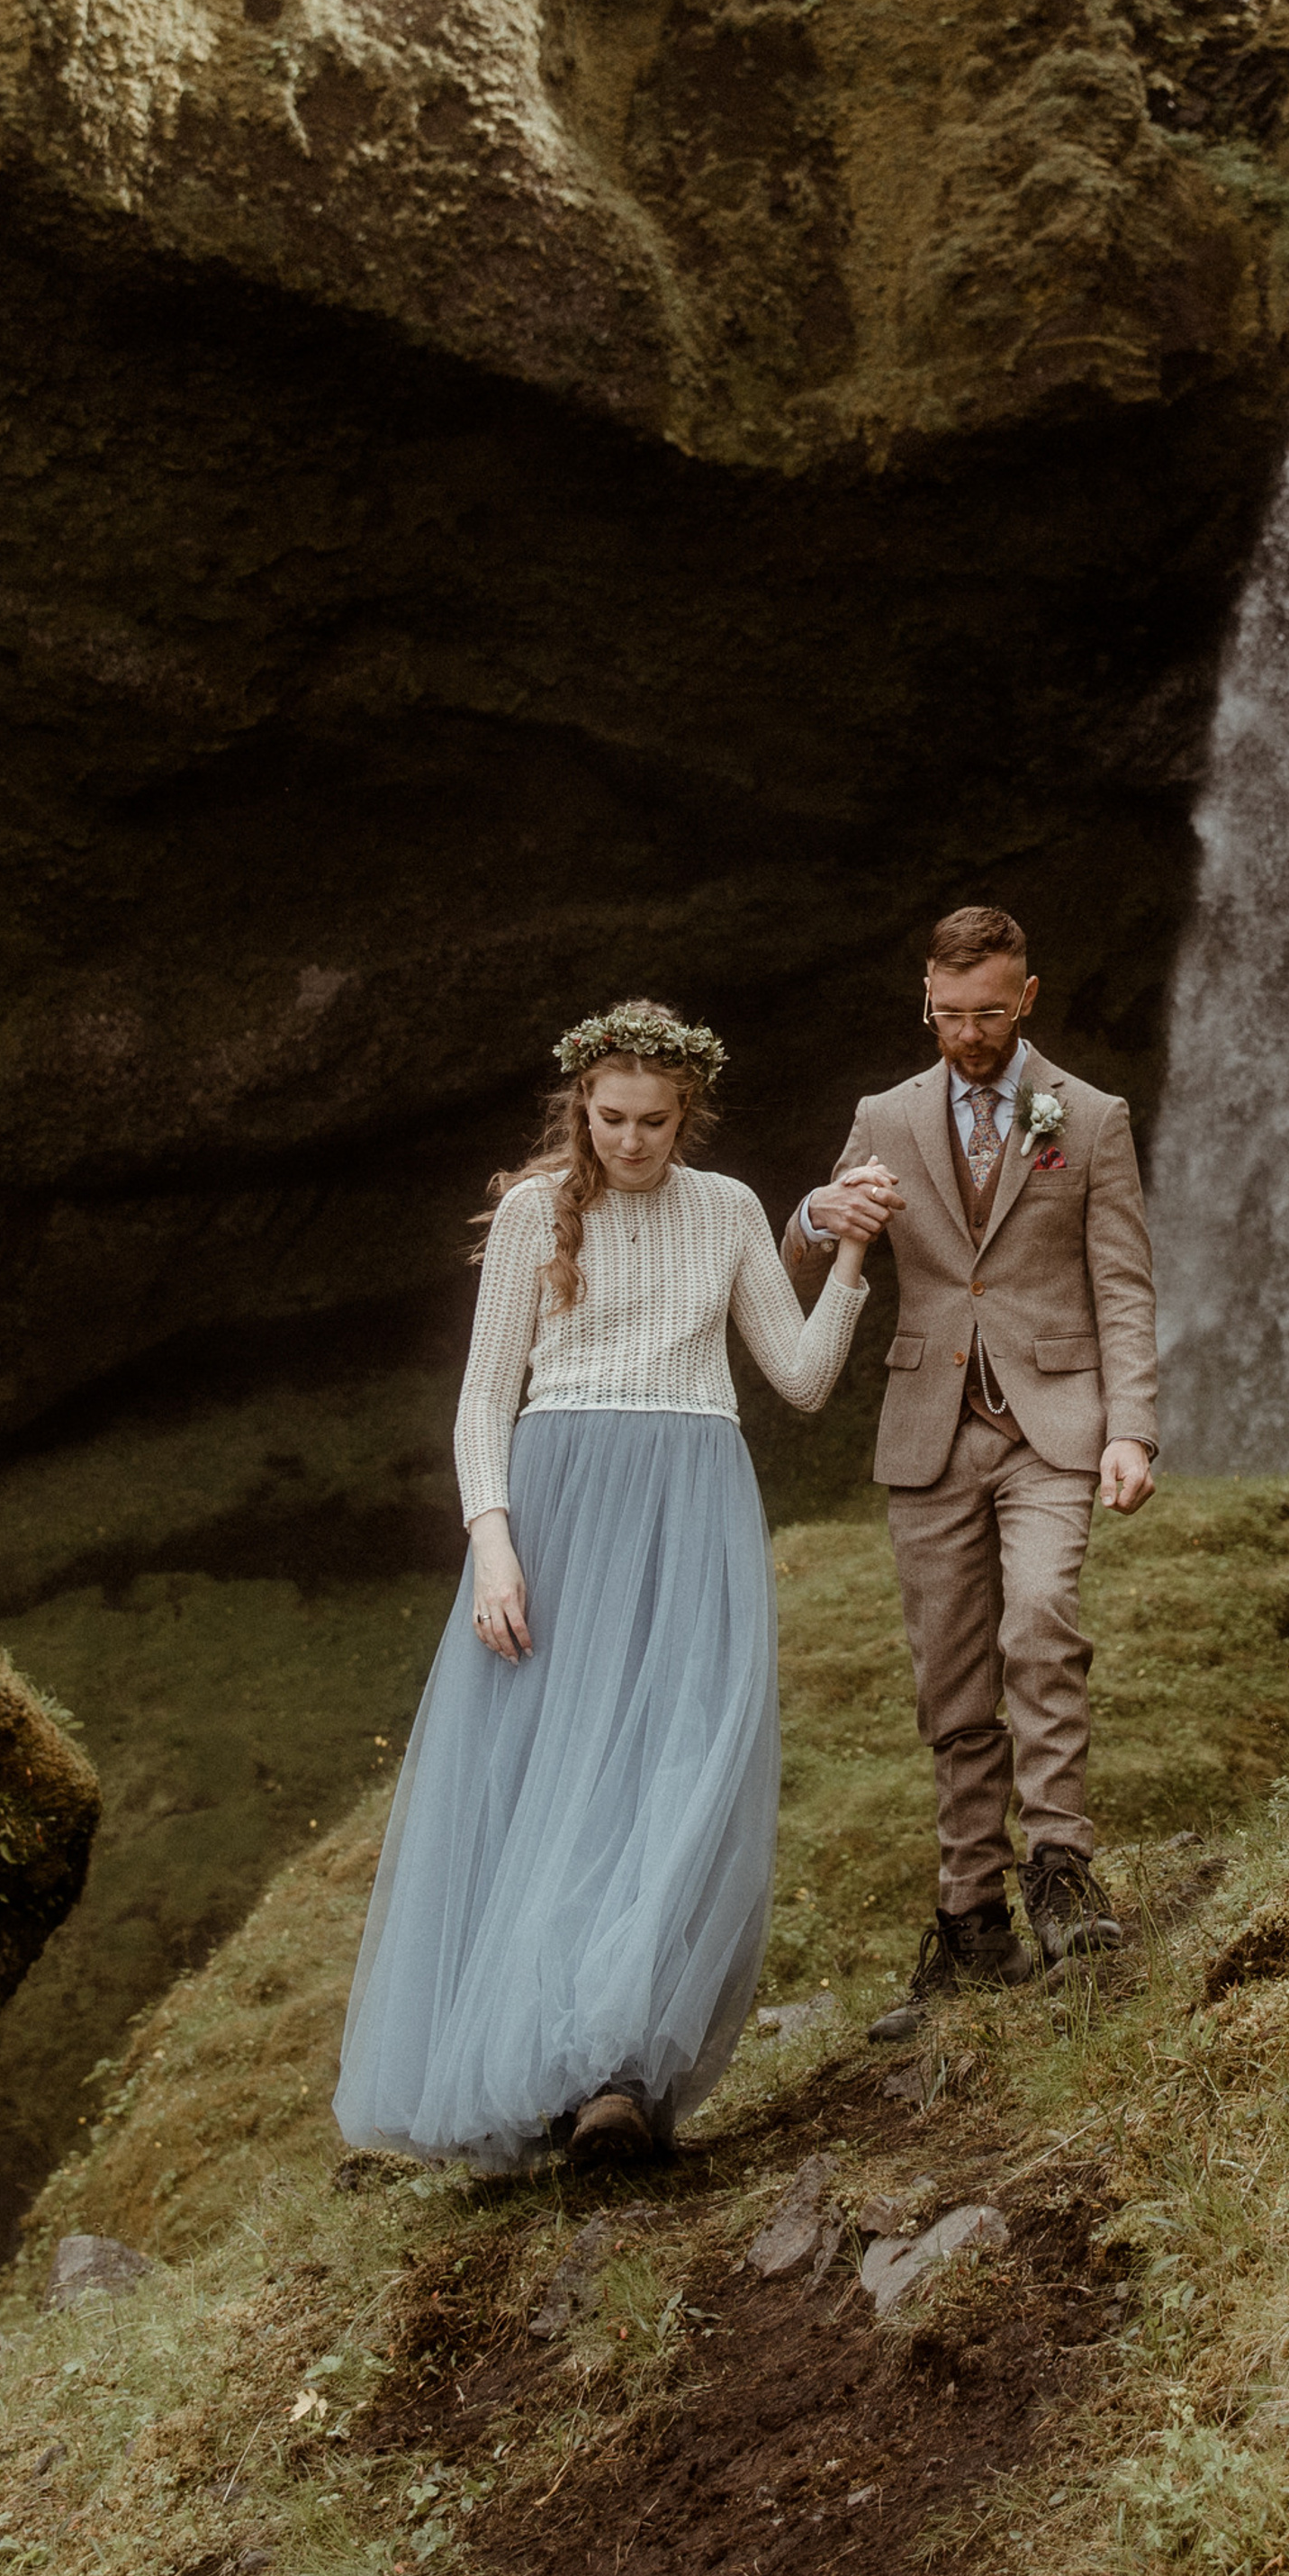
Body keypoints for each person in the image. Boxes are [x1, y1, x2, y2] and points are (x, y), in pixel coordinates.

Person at [334, 998, 879, 2165]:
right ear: (582, 1105)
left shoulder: (728, 1209)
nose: (632, 1142)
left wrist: (855, 1261)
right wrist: (493, 1545)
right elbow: (484, 1398)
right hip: (561, 1502)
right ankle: (541, 2071)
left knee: (677, 1765)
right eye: (613, 1117)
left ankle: (620, 2072)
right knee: (548, 1777)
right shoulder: (540, 1212)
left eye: (656, 1122)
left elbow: (800, 1377)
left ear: (690, 1117)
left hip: (694, 1501)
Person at [786, 905, 1158, 2033]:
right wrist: (813, 1208)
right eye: (949, 1015)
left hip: (1054, 1423)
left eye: (990, 1013)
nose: (970, 1034)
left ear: (1028, 997)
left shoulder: (1085, 1116)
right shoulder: (883, 1116)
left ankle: (1060, 1871)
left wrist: (1130, 1427)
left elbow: (1123, 1286)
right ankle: (968, 1921)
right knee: (949, 1681)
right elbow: (808, 1253)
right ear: (927, 1004)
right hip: (928, 1427)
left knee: (1040, 1618)